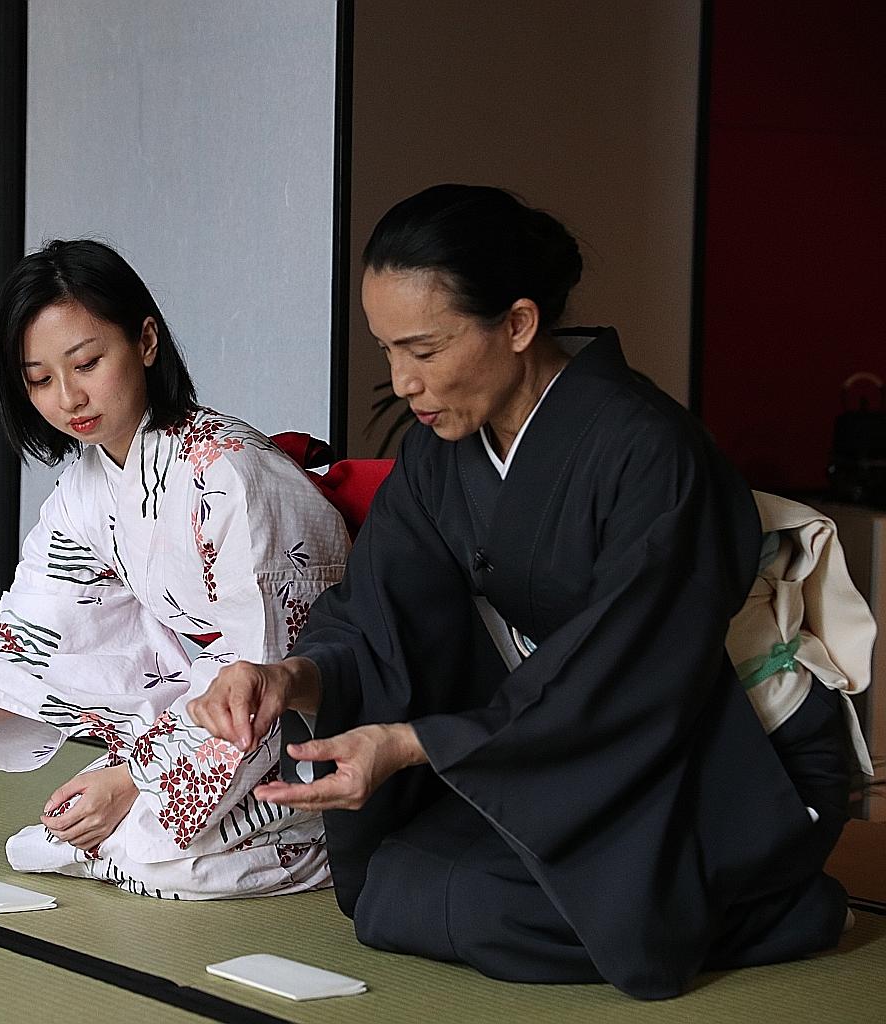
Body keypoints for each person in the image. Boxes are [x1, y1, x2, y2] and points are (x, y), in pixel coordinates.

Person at [188, 185, 860, 996]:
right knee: (388, 888)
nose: (402, 382)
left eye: (425, 351)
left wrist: (412, 744)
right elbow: (380, 613)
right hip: (563, 742)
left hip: (720, 752)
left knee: (485, 905)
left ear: (517, 323)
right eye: (388, 350)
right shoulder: (442, 452)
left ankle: (776, 903)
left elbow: (627, 667)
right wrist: (291, 677)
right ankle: (691, 902)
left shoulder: (650, 453)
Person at [0, 239, 350, 899]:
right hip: (204, 721)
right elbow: (28, 650)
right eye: (41, 379)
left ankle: (321, 830)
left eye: (86, 362)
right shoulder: (83, 494)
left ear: (145, 340)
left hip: (306, 717)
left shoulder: (230, 476)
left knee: (166, 858)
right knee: (76, 830)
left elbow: (267, 673)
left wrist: (134, 778)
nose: (68, 397)